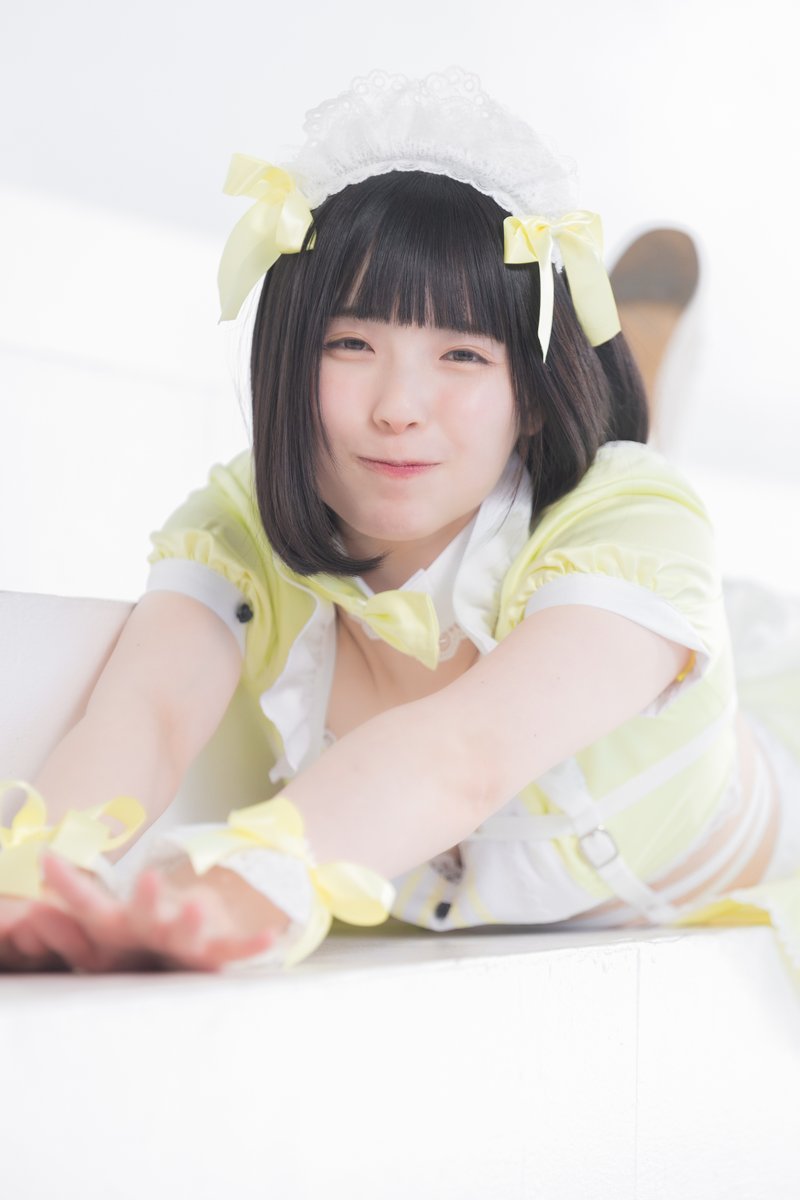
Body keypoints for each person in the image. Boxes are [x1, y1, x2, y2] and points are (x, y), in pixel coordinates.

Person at [1, 67, 798, 978]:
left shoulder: (635, 529)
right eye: (351, 344)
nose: (397, 408)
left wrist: (232, 888)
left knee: (618, 496)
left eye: (461, 354)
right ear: (286, 358)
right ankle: (596, 379)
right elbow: (149, 713)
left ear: (529, 389)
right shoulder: (236, 522)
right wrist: (36, 880)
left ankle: (622, 386)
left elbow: (468, 753)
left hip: (745, 805)